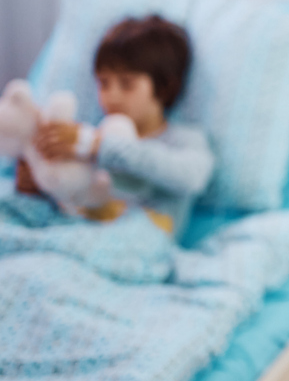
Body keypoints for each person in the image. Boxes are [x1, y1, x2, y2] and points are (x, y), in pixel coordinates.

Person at [22, 15, 215, 239]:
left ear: (164, 87)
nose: (111, 96)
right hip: (81, 235)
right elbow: (76, 201)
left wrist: (97, 146)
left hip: (139, 247)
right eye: (103, 83)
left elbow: (192, 178)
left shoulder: (183, 139)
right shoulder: (89, 136)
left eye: (127, 84)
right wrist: (40, 184)